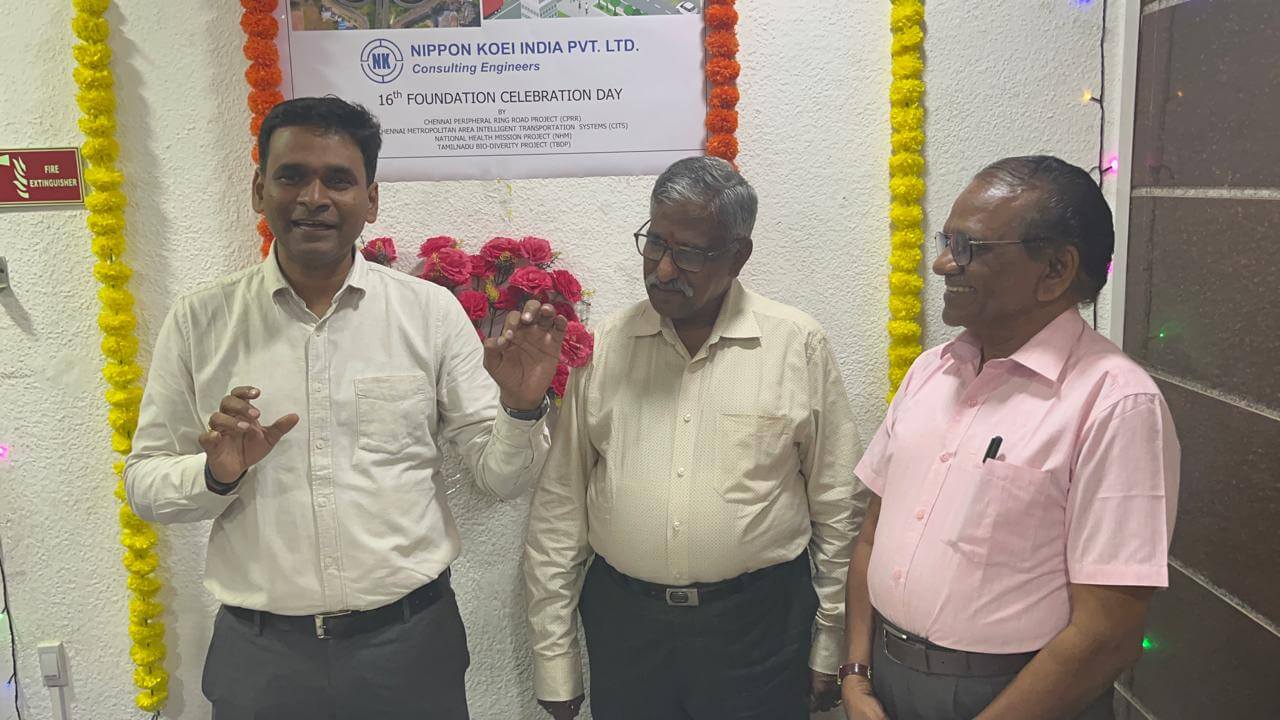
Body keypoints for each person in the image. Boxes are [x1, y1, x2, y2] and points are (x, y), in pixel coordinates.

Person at [124, 96, 567, 720]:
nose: (314, 198)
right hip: (262, 659)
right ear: (259, 190)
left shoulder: (428, 314)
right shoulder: (201, 322)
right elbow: (144, 486)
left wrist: (520, 409)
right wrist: (217, 474)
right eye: (291, 176)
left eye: (338, 179)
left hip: (409, 648)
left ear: (371, 199)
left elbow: (501, 479)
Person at [524, 156, 867, 720]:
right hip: (626, 628)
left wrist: (831, 641)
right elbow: (560, 508)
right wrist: (554, 660)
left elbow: (838, 504)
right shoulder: (605, 346)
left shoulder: (794, 345)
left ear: (738, 256)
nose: (663, 269)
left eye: (689, 253)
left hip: (759, 629)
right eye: (656, 243)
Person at [840, 156, 1180, 720]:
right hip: (886, 679)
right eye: (947, 241)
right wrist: (855, 674)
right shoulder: (930, 371)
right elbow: (871, 537)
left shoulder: (1115, 403)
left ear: (1055, 270)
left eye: (968, 247)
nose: (942, 263)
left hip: (1015, 697)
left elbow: (1108, 633)